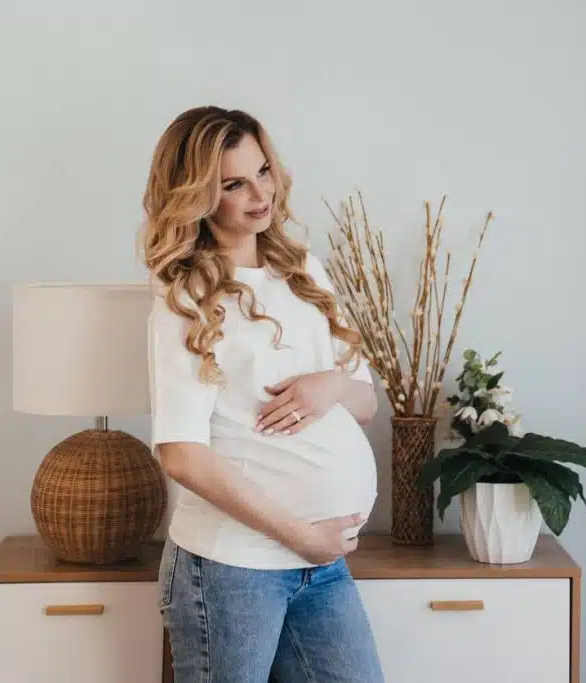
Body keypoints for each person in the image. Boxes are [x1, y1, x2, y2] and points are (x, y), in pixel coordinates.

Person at [141, 106, 384, 683]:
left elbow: (367, 402)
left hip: (320, 565)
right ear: (198, 194)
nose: (260, 193)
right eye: (234, 184)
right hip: (232, 568)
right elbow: (180, 452)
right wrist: (302, 536)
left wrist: (330, 384)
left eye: (263, 171)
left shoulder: (304, 271)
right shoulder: (187, 294)